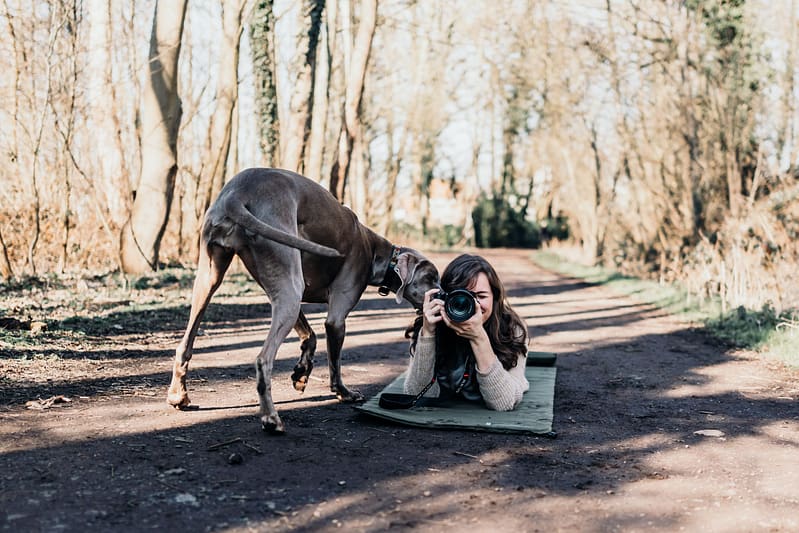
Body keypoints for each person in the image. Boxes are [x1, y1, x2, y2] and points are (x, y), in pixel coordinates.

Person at [403, 254, 530, 411]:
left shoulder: (512, 329)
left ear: (495, 298)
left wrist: (479, 338)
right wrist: (428, 333)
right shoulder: (430, 324)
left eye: (481, 296)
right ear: (444, 296)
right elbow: (416, 394)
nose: (473, 305)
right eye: (462, 296)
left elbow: (503, 403)